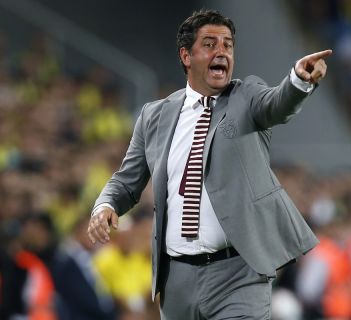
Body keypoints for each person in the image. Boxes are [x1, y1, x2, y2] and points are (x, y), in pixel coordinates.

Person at [87, 9, 332, 319]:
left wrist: (298, 80)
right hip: (176, 278)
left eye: (228, 45)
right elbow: (127, 180)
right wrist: (105, 205)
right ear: (186, 56)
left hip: (239, 274)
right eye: (210, 44)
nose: (222, 52)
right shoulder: (154, 115)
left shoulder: (246, 95)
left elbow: (277, 104)